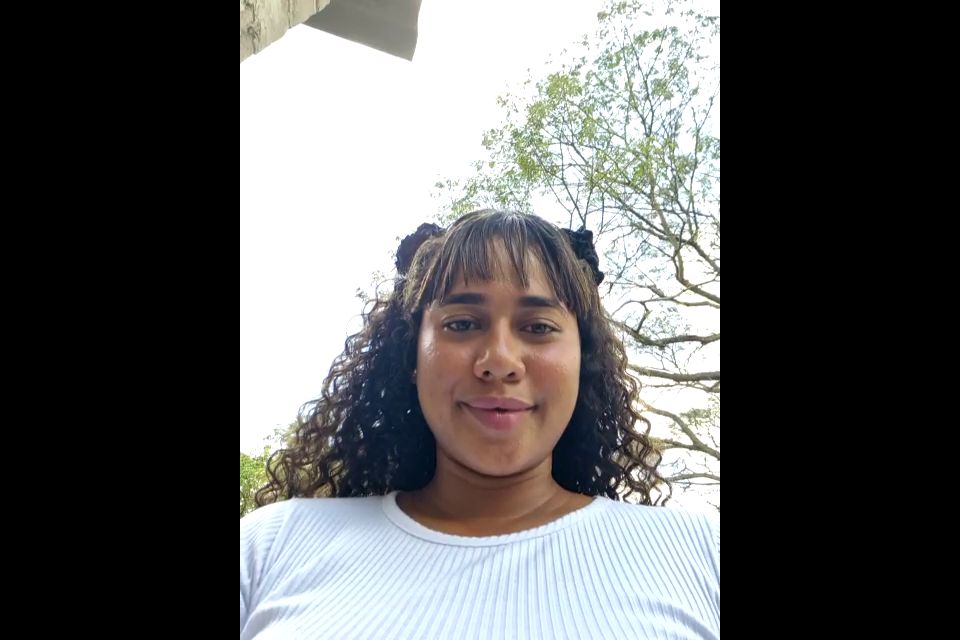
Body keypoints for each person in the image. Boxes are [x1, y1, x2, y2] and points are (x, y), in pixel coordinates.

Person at [241, 209, 720, 639]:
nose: (500, 362)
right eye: (462, 324)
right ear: (412, 356)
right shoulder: (273, 545)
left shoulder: (699, 555)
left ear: (583, 359)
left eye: (538, 327)